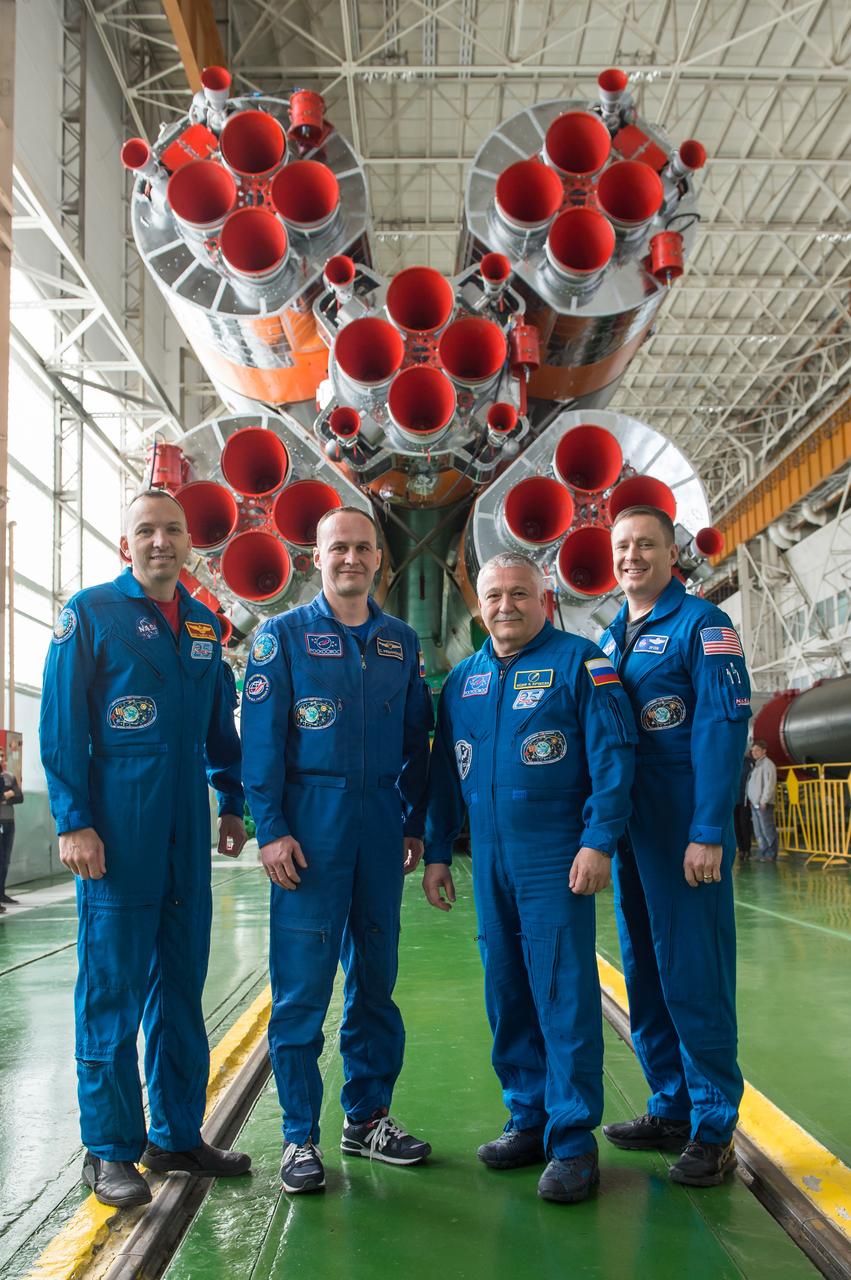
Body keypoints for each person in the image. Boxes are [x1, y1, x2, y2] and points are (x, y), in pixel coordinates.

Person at [39, 489, 249, 1210]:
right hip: (117, 828)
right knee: (113, 988)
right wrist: (73, 819)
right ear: (126, 543)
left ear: (189, 542)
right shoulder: (91, 614)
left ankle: (177, 1134)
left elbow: (220, 724)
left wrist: (234, 800)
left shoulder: (200, 625)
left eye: (171, 530)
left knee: (180, 987)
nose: (160, 541)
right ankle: (108, 1149)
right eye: (145, 531)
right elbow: (61, 722)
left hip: (186, 827)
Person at [423, 552, 637, 1204]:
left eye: (519, 594)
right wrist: (437, 851)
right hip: (486, 856)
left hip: (554, 856)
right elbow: (441, 779)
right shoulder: (462, 682)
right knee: (506, 990)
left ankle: (572, 1142)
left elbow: (613, 757)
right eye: (494, 596)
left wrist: (598, 841)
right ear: (478, 605)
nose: (506, 606)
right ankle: (527, 1116)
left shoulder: (579, 664)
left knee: (562, 993)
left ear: (542, 598)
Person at [240, 506, 434, 1195]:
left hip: (379, 827)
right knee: (301, 994)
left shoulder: (400, 643)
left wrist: (412, 822)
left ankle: (368, 1119)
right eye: (336, 548)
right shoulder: (281, 638)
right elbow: (260, 744)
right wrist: (270, 829)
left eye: (361, 548)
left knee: (375, 985)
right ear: (313, 559)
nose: (349, 558)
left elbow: (417, 740)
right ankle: (299, 1136)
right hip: (309, 832)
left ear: (379, 559)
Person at [599, 505, 751, 1187]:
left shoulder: (703, 626)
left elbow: (721, 728)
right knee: (646, 975)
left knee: (693, 976)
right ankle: (669, 1105)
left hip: (683, 831)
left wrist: (708, 830)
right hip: (631, 834)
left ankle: (714, 1124)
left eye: (645, 545)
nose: (631, 556)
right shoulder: (610, 637)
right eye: (622, 546)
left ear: (670, 553)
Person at [0, 748, 23, 910]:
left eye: (1, 755)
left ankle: (2, 892)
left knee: (5, 860)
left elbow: (19, 796)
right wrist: (7, 795)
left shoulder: (8, 776)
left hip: (9, 822)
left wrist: (8, 796)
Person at [748, 740, 778, 861]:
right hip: (755, 803)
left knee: (767, 829)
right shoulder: (757, 765)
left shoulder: (768, 765)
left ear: (764, 751)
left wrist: (763, 801)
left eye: (757, 750)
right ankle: (763, 852)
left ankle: (771, 854)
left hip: (763, 804)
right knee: (759, 830)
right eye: (752, 750)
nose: (754, 752)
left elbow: (769, 785)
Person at [734, 748, 754, 860]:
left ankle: (747, 849)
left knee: (744, 825)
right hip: (733, 800)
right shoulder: (732, 761)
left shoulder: (750, 763)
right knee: (736, 826)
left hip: (745, 800)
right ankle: (741, 849)